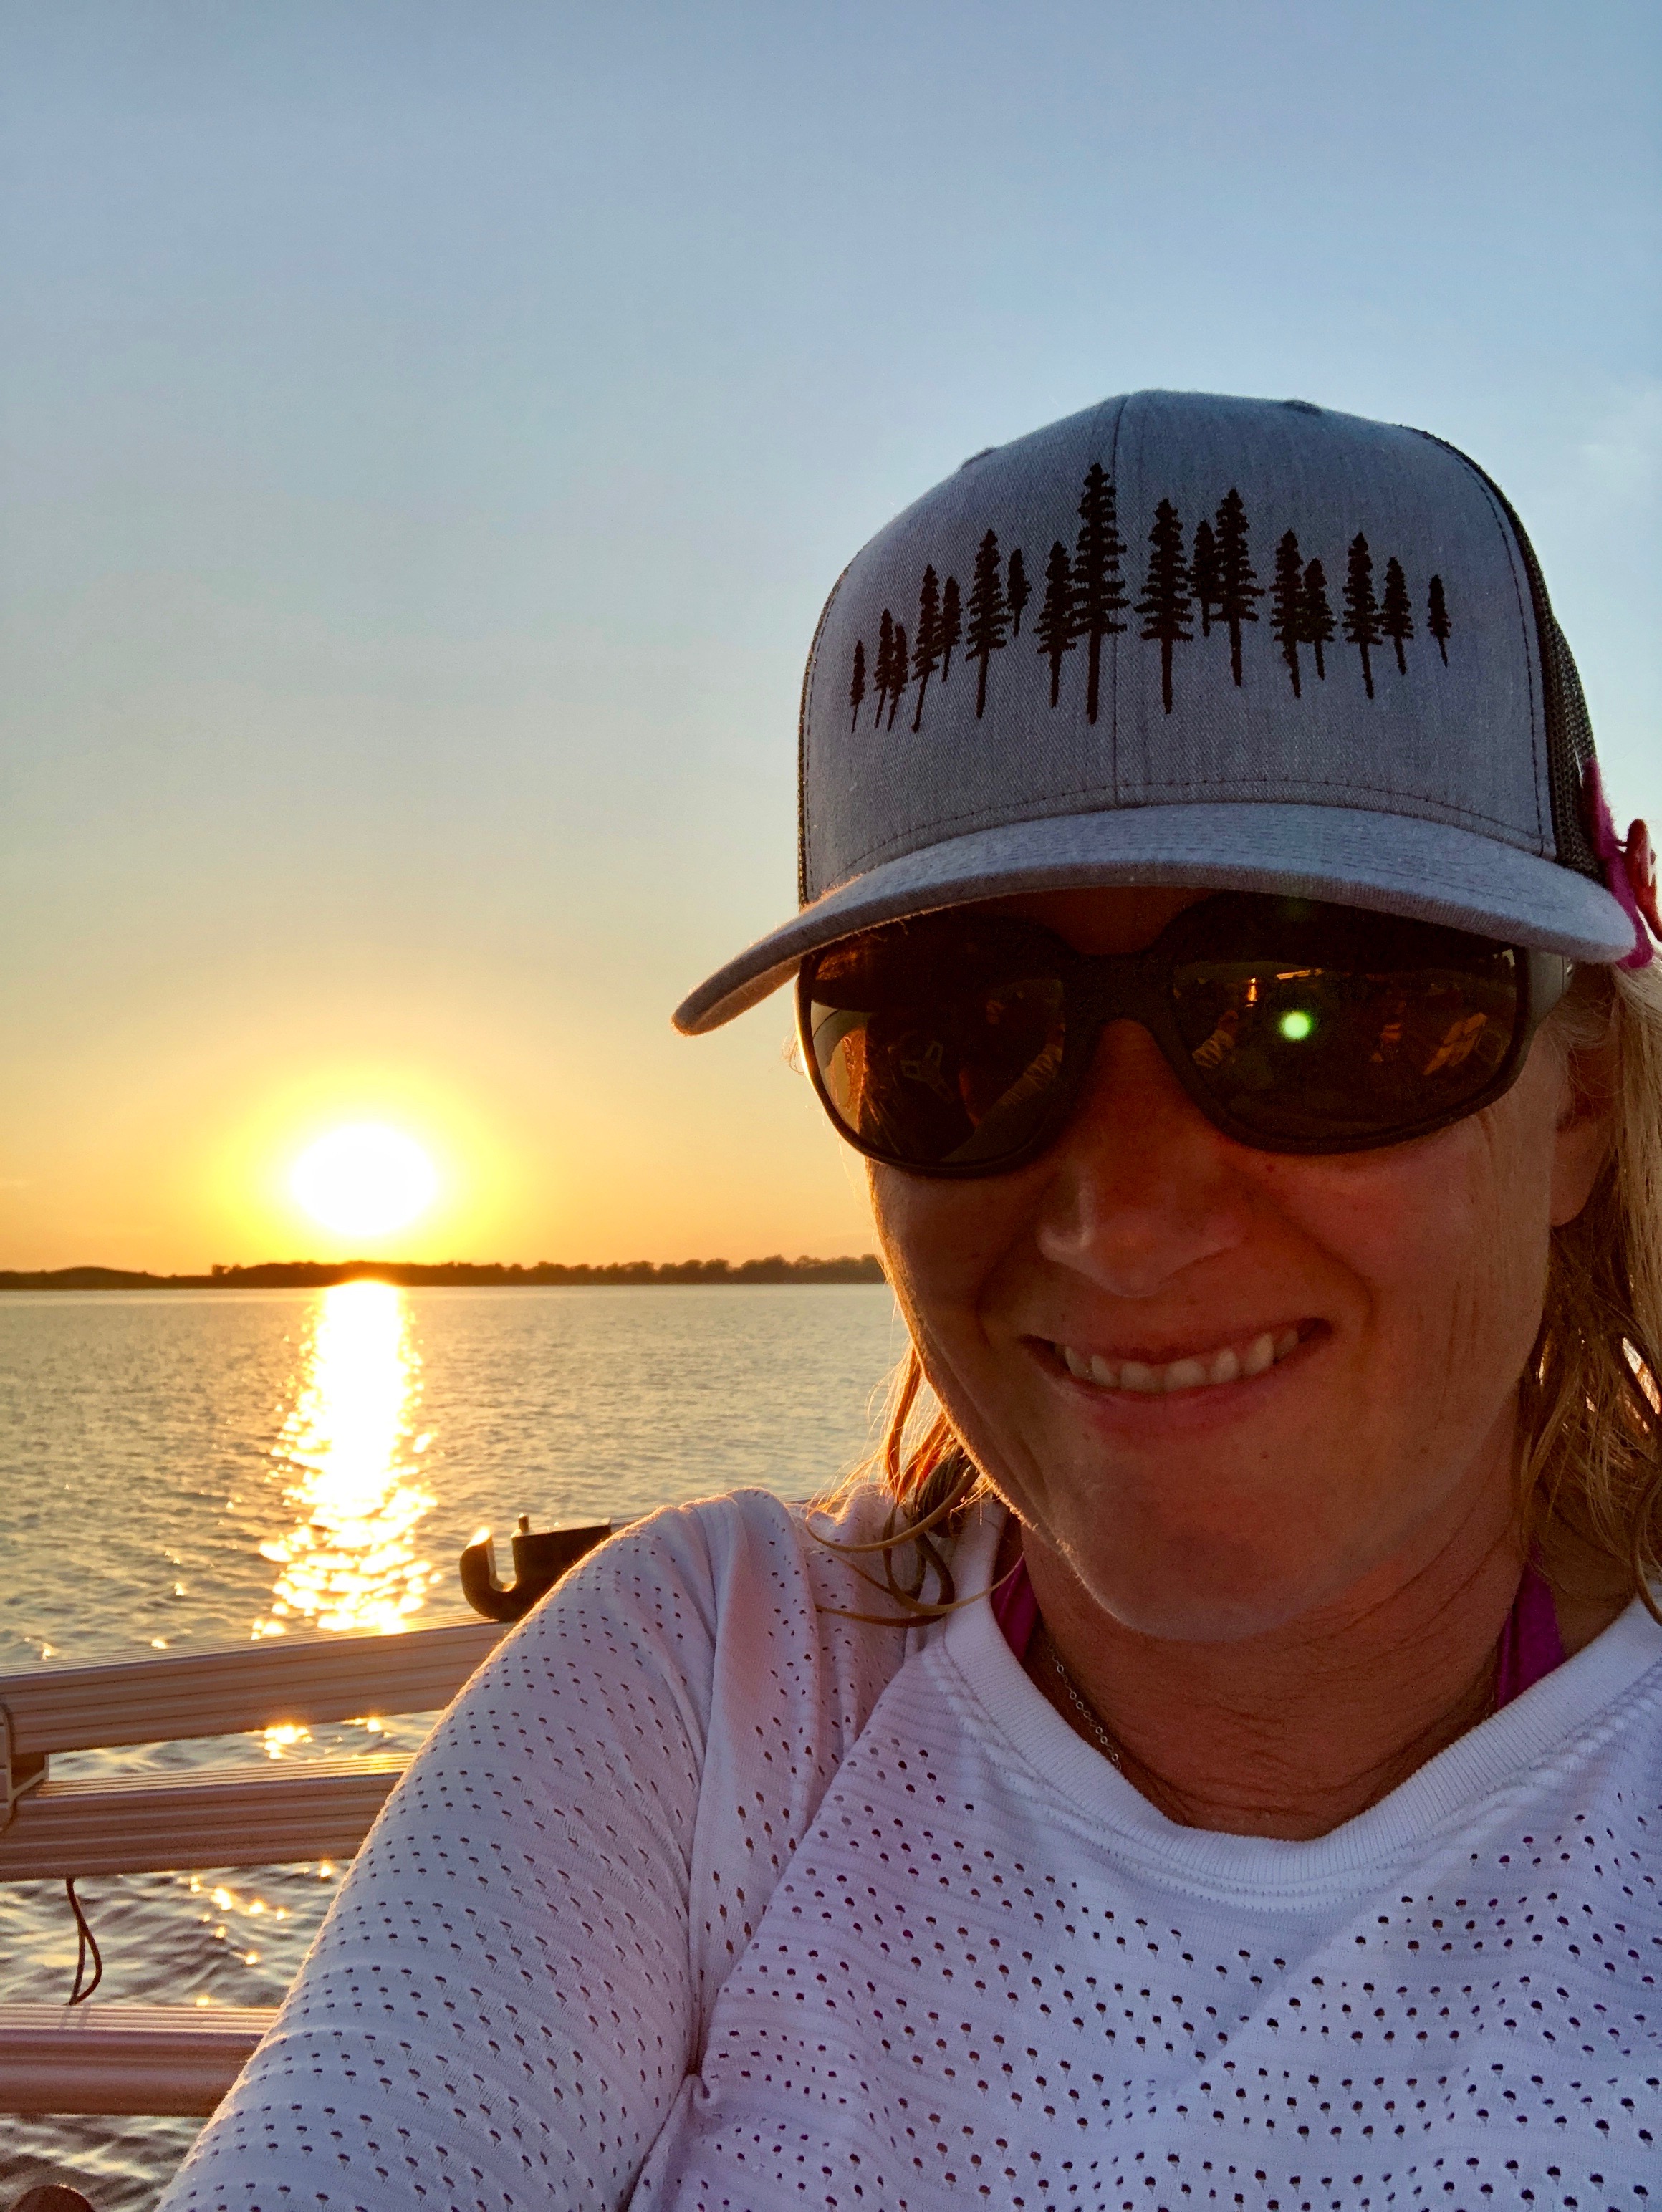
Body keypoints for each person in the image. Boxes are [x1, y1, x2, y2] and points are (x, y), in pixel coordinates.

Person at [163, 393, 1662, 2210]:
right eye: (958, 1032)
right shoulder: (716, 1690)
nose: (1118, 1222)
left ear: (1577, 1094)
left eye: (1317, 1012)